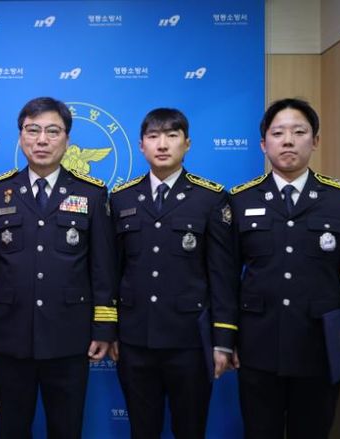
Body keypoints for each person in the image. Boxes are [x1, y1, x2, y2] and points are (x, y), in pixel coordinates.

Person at [0, 96, 117, 438]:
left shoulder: (91, 195)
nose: (42, 140)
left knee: (67, 429)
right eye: (33, 130)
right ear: (21, 137)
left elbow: (102, 269)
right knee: (12, 429)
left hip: (69, 337)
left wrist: (104, 328)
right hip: (10, 336)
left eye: (52, 131)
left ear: (67, 139)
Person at [230, 98, 340, 439]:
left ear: (315, 141)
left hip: (320, 346)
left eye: (299, 132)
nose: (288, 141)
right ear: (263, 144)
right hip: (257, 345)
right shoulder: (240, 200)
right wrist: (227, 338)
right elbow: (226, 278)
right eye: (278, 133)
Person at [108, 108, 237, 439]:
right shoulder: (121, 198)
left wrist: (223, 340)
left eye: (171, 136)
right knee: (142, 430)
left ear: (187, 144)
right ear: (141, 146)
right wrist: (110, 330)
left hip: (190, 342)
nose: (162, 144)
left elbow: (222, 275)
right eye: (153, 137)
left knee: (190, 429)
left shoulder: (210, 198)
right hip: (135, 340)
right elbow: (111, 271)